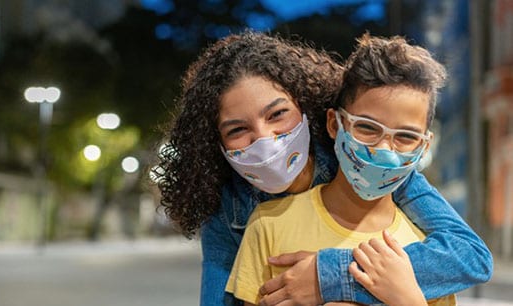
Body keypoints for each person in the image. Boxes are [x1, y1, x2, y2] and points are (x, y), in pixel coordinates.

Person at [154, 30, 492, 305]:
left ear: (306, 108)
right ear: (216, 143)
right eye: (238, 130)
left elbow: (469, 255)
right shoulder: (230, 207)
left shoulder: (365, 161)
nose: (265, 140)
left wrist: (331, 277)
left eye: (277, 114)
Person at [225, 34, 459, 305]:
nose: (384, 149)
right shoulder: (268, 225)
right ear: (335, 125)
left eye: (405, 137)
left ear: (424, 145)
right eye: (367, 128)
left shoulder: (427, 253)